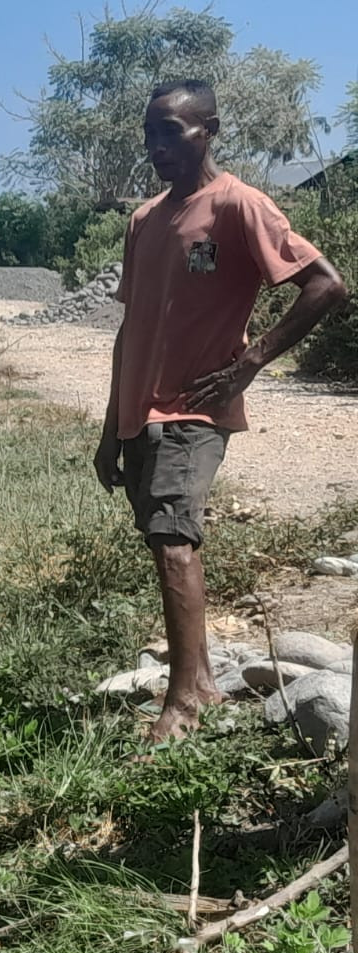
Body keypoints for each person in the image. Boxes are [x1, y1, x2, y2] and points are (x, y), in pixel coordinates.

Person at [95, 80, 347, 743]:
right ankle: (201, 680)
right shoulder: (145, 220)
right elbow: (131, 329)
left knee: (174, 542)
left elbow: (326, 285)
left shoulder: (239, 205)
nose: (156, 146)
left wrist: (250, 362)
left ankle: (184, 706)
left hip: (194, 410)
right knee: (163, 539)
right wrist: (110, 430)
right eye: (149, 133)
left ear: (207, 131)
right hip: (141, 413)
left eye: (171, 131)